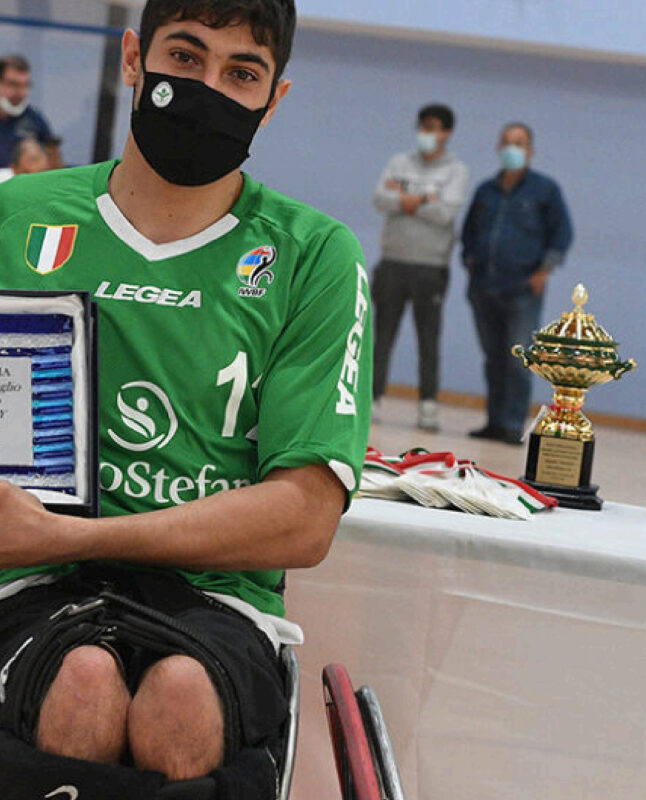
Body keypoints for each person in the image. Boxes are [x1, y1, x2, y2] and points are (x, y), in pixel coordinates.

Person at [0, 1, 371, 797]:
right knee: (82, 681)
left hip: (219, 599)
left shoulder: (313, 256)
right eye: (186, 56)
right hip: (31, 582)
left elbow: (306, 519)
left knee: (181, 695)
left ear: (274, 98)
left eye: (242, 73)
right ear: (134, 59)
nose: (208, 89)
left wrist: (78, 532)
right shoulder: (14, 217)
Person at [461, 122, 573, 445]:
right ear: (499, 148)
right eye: (507, 142)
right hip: (483, 286)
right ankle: (494, 422)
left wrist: (544, 271)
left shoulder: (545, 190)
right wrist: (470, 262)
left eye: (519, 143)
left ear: (530, 151)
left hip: (523, 289)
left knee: (518, 359)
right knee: (493, 357)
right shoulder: (486, 190)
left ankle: (512, 424)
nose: (513, 149)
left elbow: (561, 233)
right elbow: (469, 232)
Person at [371, 103, 469, 431]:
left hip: (430, 267)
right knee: (381, 336)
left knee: (428, 339)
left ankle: (428, 405)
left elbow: (446, 212)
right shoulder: (399, 162)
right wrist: (427, 198)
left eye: (434, 128)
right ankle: (371, 398)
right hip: (392, 262)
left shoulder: (456, 170)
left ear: (447, 133)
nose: (427, 133)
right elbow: (380, 198)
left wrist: (406, 198)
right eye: (423, 127)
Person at [0, 54, 63, 168]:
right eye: (13, 84)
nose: (21, 93)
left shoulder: (34, 120)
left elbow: (55, 166)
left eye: (25, 85)